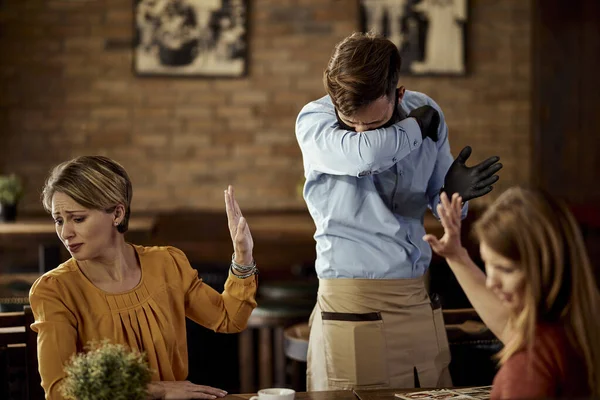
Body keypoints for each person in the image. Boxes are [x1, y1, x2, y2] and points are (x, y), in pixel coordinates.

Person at [295, 31, 502, 391]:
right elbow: (366, 155)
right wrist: (413, 128)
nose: (360, 131)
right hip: (351, 302)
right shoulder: (314, 120)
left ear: (398, 94)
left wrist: (455, 198)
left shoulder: (427, 109)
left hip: (417, 298)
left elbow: (443, 208)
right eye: (351, 125)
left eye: (371, 124)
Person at [29, 155, 259, 400]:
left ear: (117, 214)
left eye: (78, 219)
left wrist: (243, 255)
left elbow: (228, 318)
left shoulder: (167, 263)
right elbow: (59, 391)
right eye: (58, 220)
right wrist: (157, 390)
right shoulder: (54, 290)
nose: (65, 233)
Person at [424, 188, 600, 398]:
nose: (491, 282)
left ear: (545, 268)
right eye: (487, 264)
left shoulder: (530, 364)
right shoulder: (575, 333)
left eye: (505, 269)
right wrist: (456, 256)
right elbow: (510, 326)